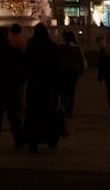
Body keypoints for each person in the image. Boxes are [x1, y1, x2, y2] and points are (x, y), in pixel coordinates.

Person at [23, 24, 61, 153]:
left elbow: (26, 68)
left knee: (33, 114)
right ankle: (51, 140)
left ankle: (33, 142)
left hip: (34, 86)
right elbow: (58, 69)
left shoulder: (31, 48)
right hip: (49, 86)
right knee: (49, 114)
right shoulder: (53, 48)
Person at [57, 31, 87, 118]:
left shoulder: (60, 47)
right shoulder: (76, 48)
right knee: (71, 92)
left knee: (64, 92)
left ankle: (63, 109)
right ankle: (69, 111)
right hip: (73, 72)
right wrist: (81, 71)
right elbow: (80, 61)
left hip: (63, 72)